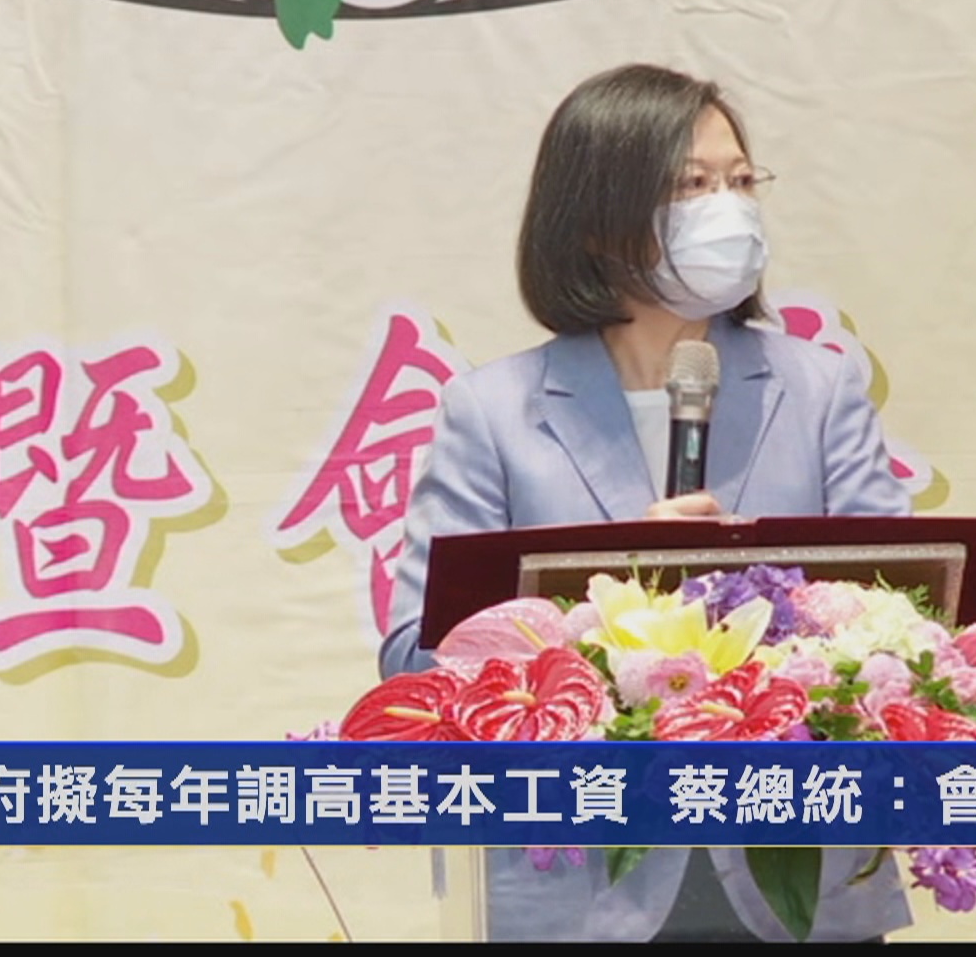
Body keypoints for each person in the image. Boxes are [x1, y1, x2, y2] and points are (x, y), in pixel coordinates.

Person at [378, 63, 913, 942]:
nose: (727, 208)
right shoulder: (493, 412)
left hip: (799, 866)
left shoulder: (818, 390)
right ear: (597, 221)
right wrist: (613, 595)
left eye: (741, 182)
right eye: (692, 186)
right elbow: (415, 657)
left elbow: (906, 612)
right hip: (578, 884)